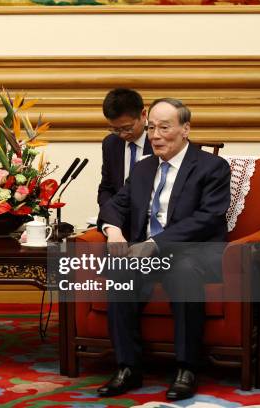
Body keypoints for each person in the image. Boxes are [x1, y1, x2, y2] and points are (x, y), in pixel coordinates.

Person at [96, 98, 231, 401]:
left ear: (185, 129)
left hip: (189, 253)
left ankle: (186, 368)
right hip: (144, 254)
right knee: (120, 272)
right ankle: (128, 367)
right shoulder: (144, 170)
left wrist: (155, 244)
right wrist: (113, 229)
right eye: (152, 127)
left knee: (181, 271)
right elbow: (115, 205)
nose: (155, 135)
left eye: (164, 128)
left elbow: (207, 218)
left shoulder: (212, 167)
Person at [98, 88, 153, 209]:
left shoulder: (160, 141)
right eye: (115, 129)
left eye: (127, 128)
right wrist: (110, 213)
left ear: (143, 115)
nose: (122, 135)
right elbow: (106, 189)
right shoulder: (110, 143)